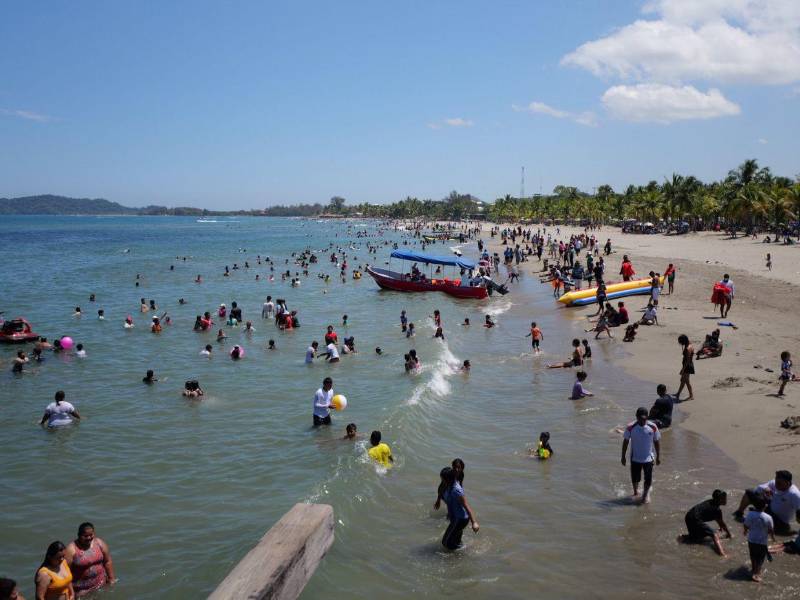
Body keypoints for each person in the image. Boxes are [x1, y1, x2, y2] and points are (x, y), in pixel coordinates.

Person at [733, 470, 800, 535]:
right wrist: (765, 488)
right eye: (776, 481)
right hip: (769, 508)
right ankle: (739, 512)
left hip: (780, 521)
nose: (776, 485)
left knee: (762, 529)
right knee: (749, 492)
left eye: (779, 483)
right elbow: (758, 489)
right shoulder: (774, 483)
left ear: (787, 483)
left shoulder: (794, 494)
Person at [621, 407, 661, 504]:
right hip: (635, 458)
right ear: (636, 417)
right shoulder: (630, 427)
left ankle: (645, 494)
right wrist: (623, 456)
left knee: (648, 478)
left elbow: (656, 441)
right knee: (635, 478)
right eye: (640, 418)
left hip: (648, 458)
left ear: (647, 417)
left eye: (644, 418)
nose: (643, 421)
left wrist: (658, 456)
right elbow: (625, 442)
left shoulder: (653, 427)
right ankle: (635, 492)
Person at [65, 522, 116, 596]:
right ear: (79, 535)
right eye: (85, 536)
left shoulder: (99, 543)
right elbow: (65, 572)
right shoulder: (71, 549)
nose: (89, 538)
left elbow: (107, 561)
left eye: (91, 535)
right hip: (81, 591)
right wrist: (71, 593)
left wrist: (111, 579)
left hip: (101, 585)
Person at [679, 490, 732, 557]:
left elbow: (720, 523)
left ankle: (681, 538)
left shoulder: (710, 502)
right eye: (724, 498)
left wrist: (722, 528)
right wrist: (729, 535)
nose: (726, 500)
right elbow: (722, 524)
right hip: (695, 519)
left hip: (689, 516)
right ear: (720, 500)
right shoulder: (717, 510)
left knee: (696, 538)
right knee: (714, 534)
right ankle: (722, 554)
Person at [440, 467, 479, 550]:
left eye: (442, 479)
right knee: (455, 541)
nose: (442, 480)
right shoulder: (448, 486)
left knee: (445, 543)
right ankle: (463, 549)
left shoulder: (456, 490)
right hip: (455, 518)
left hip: (460, 519)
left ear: (448, 479)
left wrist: (474, 523)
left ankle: (462, 552)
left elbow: (466, 505)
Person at [743, 493, 775, 582]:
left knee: (753, 555)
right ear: (765, 506)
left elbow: (746, 525)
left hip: (751, 540)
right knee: (760, 557)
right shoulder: (768, 517)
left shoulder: (750, 514)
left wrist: (745, 531)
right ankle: (757, 573)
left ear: (754, 505)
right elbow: (771, 530)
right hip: (762, 542)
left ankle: (753, 569)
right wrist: (772, 538)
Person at [676, 334, 695, 401]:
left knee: (685, 381)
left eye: (680, 342)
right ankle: (678, 393)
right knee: (683, 380)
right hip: (688, 365)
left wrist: (682, 369)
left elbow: (687, 360)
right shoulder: (689, 344)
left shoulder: (687, 348)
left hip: (687, 366)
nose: (680, 343)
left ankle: (691, 395)